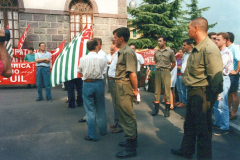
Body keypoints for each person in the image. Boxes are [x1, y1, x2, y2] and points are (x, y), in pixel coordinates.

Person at [171, 17, 223, 159]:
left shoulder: (209, 49)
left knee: (203, 130)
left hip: (202, 94)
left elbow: (217, 79)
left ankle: (204, 157)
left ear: (196, 28)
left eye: (189, 28)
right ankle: (186, 150)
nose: (187, 30)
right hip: (194, 93)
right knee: (189, 125)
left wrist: (209, 99)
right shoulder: (197, 48)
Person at [113, 27, 138, 159]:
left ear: (121, 39)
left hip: (124, 85)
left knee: (127, 115)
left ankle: (131, 147)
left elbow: (132, 73)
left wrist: (135, 90)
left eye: (115, 37)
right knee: (123, 114)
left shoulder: (127, 52)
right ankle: (130, 139)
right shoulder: (123, 51)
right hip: (120, 85)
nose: (114, 39)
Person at [78, 38, 107, 141]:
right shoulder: (103, 58)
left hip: (87, 83)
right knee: (101, 108)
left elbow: (80, 71)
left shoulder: (83, 58)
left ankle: (92, 135)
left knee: (90, 110)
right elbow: (103, 71)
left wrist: (86, 75)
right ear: (96, 47)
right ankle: (103, 130)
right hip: (98, 83)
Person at [213, 32, 233, 136]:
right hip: (217, 78)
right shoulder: (219, 52)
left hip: (223, 78)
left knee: (222, 104)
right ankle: (217, 123)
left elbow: (219, 67)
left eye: (218, 39)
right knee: (216, 104)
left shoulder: (226, 52)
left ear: (225, 41)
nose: (216, 41)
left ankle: (225, 127)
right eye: (215, 39)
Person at [152, 35, 176, 117]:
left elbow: (173, 63)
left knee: (167, 91)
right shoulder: (156, 52)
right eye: (158, 41)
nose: (159, 42)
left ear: (165, 41)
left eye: (160, 41)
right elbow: (156, 62)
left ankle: (167, 110)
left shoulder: (170, 52)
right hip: (158, 71)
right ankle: (156, 109)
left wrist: (168, 70)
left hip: (166, 71)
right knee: (157, 91)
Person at [108, 40, 123, 133]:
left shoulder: (120, 54)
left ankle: (120, 125)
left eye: (111, 43)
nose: (110, 46)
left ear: (114, 45)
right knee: (115, 103)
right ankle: (117, 122)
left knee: (118, 104)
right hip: (112, 81)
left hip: (115, 81)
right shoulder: (116, 54)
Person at [226, 32, 240, 120]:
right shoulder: (228, 48)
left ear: (228, 39)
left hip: (233, 75)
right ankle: (228, 111)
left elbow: (239, 60)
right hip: (228, 74)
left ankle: (234, 113)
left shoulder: (234, 48)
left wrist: (236, 71)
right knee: (229, 93)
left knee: (234, 93)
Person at [177, 39, 193, 108]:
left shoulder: (193, 54)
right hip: (183, 74)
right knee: (183, 91)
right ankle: (184, 104)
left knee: (188, 93)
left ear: (190, 45)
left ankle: (188, 107)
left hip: (189, 76)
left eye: (184, 45)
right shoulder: (185, 54)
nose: (183, 46)